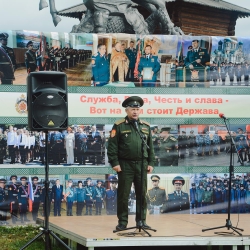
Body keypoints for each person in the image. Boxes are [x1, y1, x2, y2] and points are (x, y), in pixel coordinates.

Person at [107, 96, 154, 231]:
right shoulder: (119, 125)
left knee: (141, 194)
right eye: (132, 109)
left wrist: (151, 162)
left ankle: (141, 221)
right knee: (123, 195)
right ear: (127, 110)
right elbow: (112, 147)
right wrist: (115, 163)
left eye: (137, 109)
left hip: (141, 165)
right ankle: (122, 222)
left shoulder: (145, 126)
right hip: (125, 165)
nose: (135, 112)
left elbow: (150, 147)